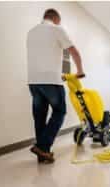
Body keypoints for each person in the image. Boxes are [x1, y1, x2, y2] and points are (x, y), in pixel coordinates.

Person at [27, 8, 84, 164]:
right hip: (50, 79)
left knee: (39, 117)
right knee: (59, 111)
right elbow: (74, 52)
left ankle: (42, 154)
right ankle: (43, 146)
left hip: (33, 81)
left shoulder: (31, 32)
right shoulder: (57, 29)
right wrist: (80, 71)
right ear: (55, 19)